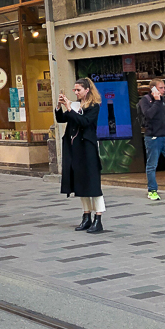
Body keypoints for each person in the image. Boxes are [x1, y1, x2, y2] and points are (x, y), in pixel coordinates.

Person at [56, 77, 106, 233]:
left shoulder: (94, 106)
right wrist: (60, 106)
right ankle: (86, 216)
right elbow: (60, 119)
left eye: (78, 90)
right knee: (81, 183)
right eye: (74, 90)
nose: (76, 92)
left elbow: (85, 122)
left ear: (87, 90)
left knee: (92, 183)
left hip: (88, 148)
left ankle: (98, 218)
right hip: (76, 149)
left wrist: (70, 109)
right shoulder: (76, 105)